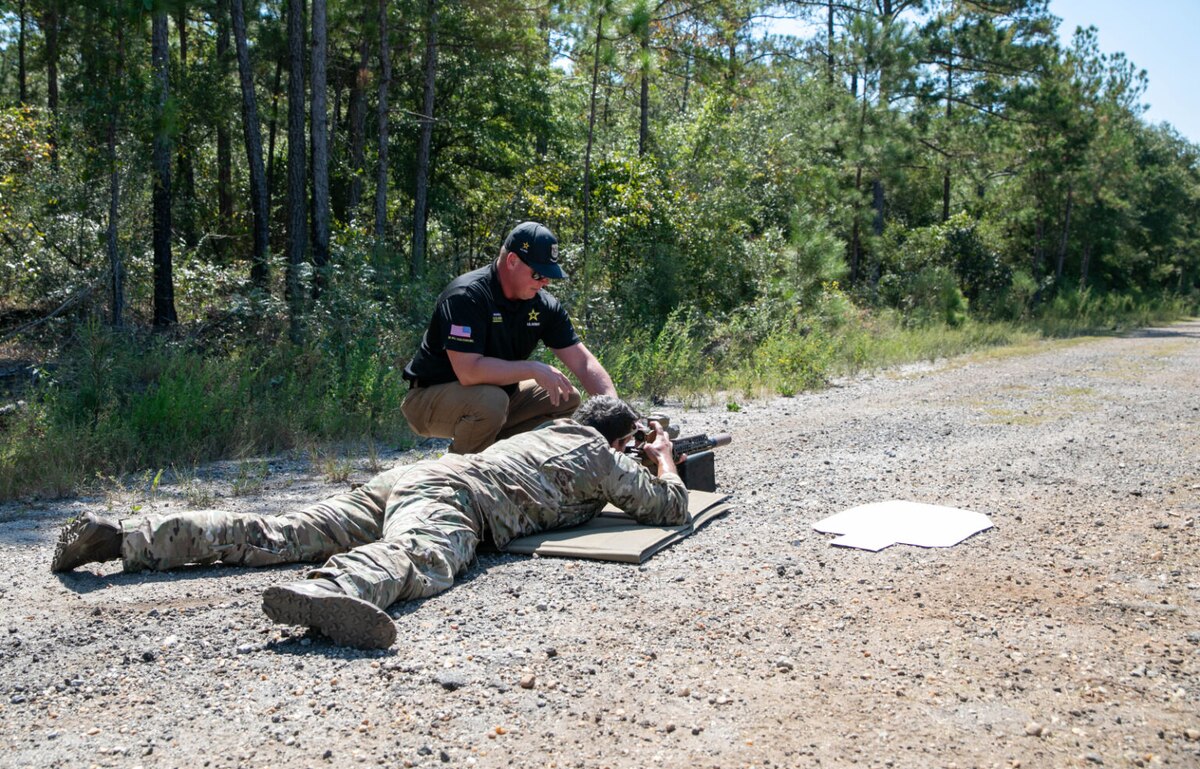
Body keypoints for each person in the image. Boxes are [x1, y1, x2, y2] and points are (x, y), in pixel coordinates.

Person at [50, 397, 687, 650]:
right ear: (621, 438)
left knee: (282, 529)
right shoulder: (600, 455)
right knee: (418, 556)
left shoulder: (545, 431)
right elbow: (669, 510)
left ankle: (129, 537)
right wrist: (661, 462)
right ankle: (336, 590)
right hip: (456, 496)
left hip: (413, 476)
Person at [401, 221, 617, 454]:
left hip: (496, 397)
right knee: (491, 402)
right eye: (538, 273)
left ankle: (503, 459)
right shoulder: (467, 296)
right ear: (512, 261)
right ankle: (461, 475)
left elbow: (584, 363)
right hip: (429, 399)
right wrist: (533, 368)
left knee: (565, 398)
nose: (545, 281)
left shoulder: (543, 306)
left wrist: (616, 412)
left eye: (548, 275)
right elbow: (469, 372)